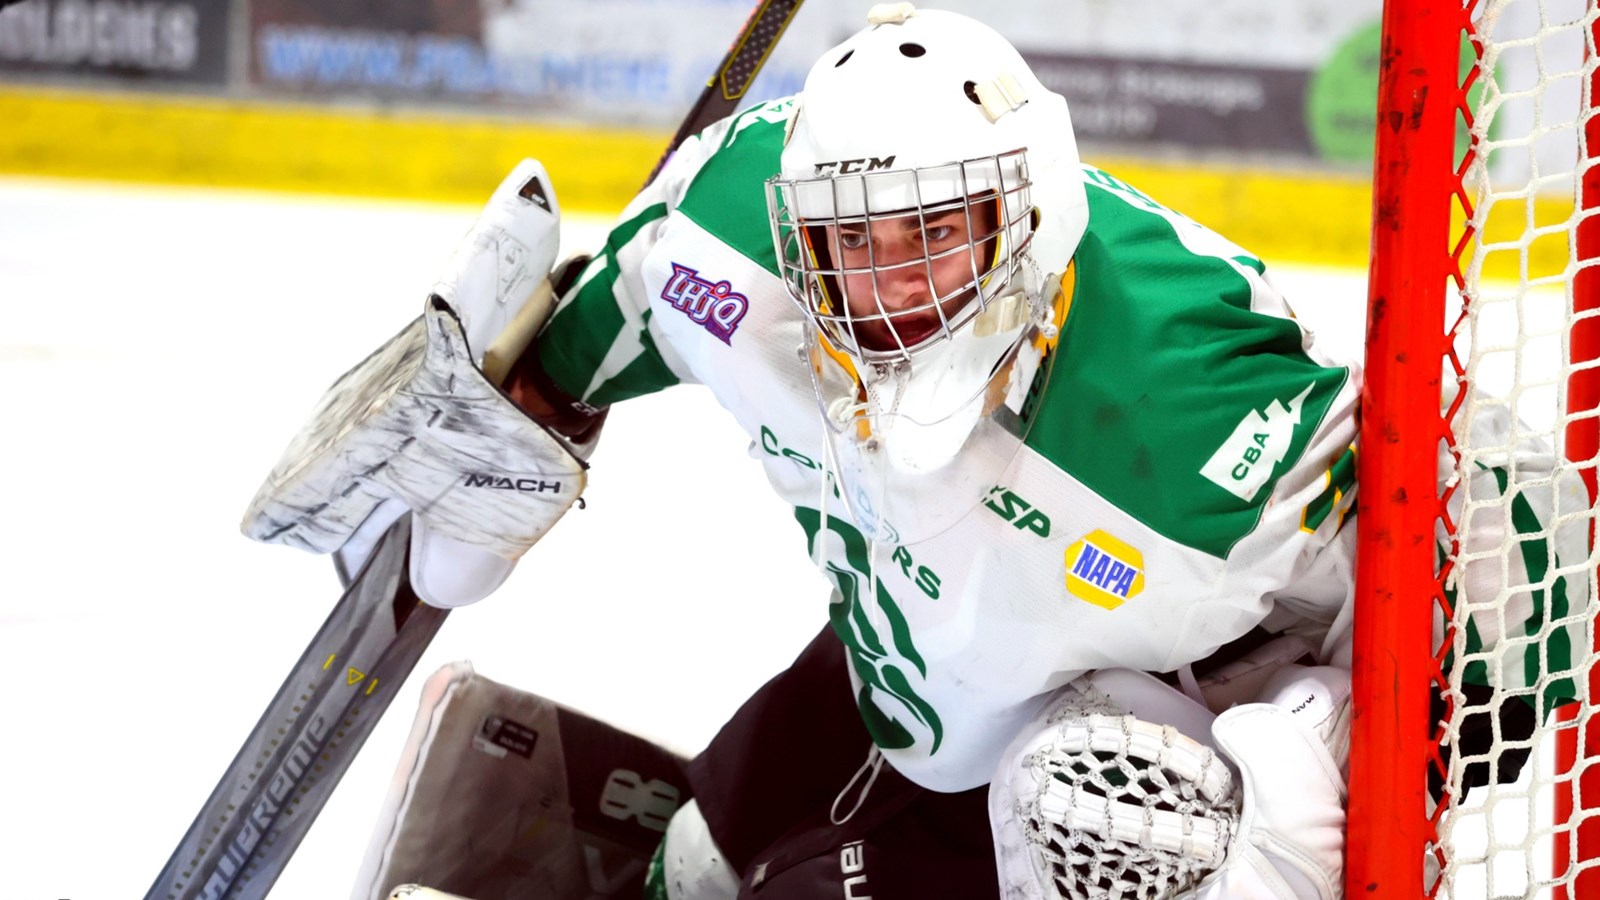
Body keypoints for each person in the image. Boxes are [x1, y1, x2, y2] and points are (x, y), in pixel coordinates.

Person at [243, 5, 1588, 899]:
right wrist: (518, 412)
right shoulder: (732, 231)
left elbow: (1504, 578)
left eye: (932, 234)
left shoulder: (1186, 444)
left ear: (1026, 215)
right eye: (853, 239)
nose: (887, 284)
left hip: (1059, 753)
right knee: (702, 857)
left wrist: (1322, 786)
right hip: (915, 651)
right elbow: (616, 312)